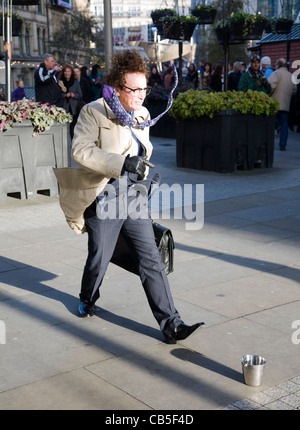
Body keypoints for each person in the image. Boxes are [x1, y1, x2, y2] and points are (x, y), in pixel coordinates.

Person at [54, 49, 204, 344]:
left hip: (133, 194)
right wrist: (121, 164)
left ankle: (171, 324)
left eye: (144, 88)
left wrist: (145, 178)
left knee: (151, 258)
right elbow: (81, 151)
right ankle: (87, 296)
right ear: (117, 87)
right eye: (134, 89)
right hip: (105, 194)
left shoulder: (143, 113)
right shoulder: (94, 111)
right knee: (100, 256)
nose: (141, 95)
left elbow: (141, 150)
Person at [268, 58, 297, 150]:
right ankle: (283, 144)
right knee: (285, 124)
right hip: (285, 104)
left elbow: (270, 86)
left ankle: (271, 141)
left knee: (272, 121)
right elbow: (294, 90)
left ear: (278, 65)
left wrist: (268, 94)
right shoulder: (291, 76)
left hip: (275, 102)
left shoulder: (276, 73)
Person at [58, 64, 82, 138]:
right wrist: (65, 95)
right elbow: (57, 94)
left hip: (74, 108)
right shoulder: (60, 82)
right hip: (63, 108)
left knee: (73, 127)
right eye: (65, 71)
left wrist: (73, 95)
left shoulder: (75, 82)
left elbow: (80, 94)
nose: (67, 73)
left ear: (71, 72)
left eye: (69, 71)